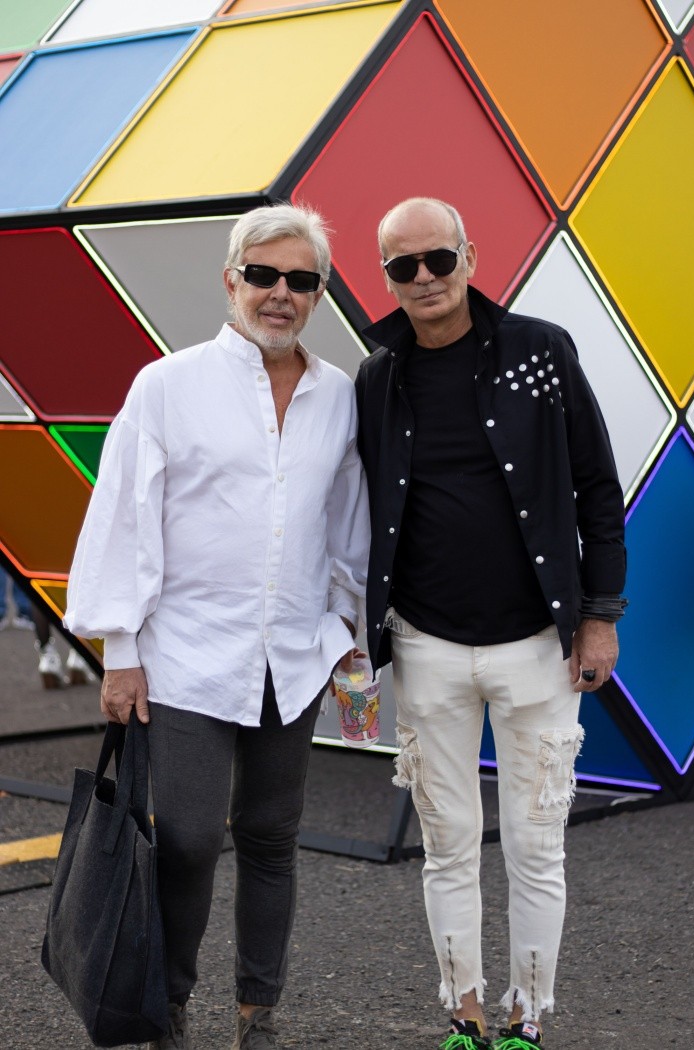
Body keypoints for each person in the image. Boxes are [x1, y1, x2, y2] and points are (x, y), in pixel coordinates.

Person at [64, 203, 369, 1050]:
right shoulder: (167, 385)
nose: (280, 293)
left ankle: (257, 1015)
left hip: (294, 657)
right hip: (186, 656)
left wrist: (346, 635)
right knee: (190, 837)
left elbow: (347, 523)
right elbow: (123, 518)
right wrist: (120, 652)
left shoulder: (339, 396)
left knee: (271, 837)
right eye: (263, 275)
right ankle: (169, 1004)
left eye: (300, 280)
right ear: (230, 280)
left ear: (318, 293)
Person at [355, 198, 627, 1050]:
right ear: (387, 278)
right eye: (404, 266)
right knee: (447, 844)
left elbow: (597, 487)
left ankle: (526, 1020)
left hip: (539, 645)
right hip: (427, 645)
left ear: (469, 257)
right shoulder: (377, 376)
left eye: (439, 259)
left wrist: (600, 616)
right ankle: (464, 1015)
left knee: (537, 847)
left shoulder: (540, 351)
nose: (425, 278)